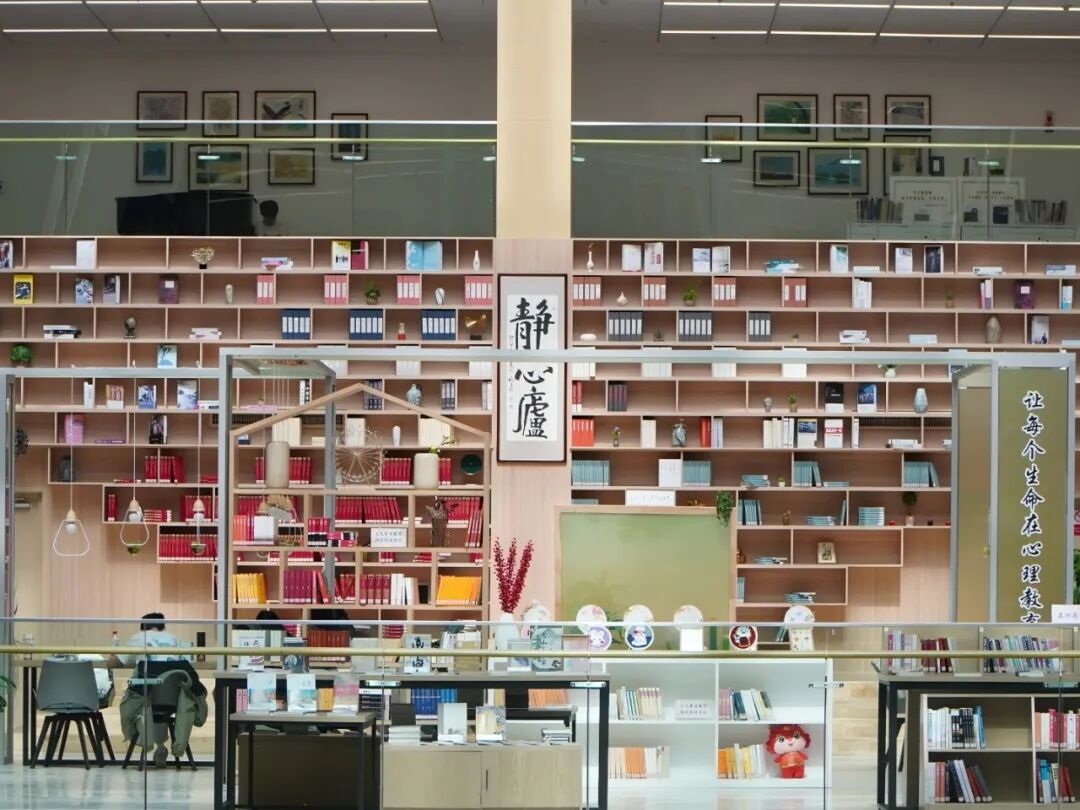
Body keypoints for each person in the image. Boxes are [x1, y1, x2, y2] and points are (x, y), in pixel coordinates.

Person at [110, 613, 183, 767]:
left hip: (145, 696)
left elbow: (115, 662)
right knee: (158, 705)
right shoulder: (174, 639)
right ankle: (160, 745)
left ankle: (147, 742)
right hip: (172, 698)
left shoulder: (138, 638)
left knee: (138, 702)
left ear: (143, 626)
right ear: (163, 625)